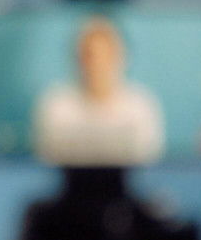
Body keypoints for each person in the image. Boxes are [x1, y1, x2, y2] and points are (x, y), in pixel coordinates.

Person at [33, 16, 165, 167]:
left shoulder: (142, 106)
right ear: (77, 58)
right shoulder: (55, 105)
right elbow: (45, 161)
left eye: (106, 54)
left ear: (121, 56)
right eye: (89, 55)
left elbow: (149, 162)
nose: (97, 64)